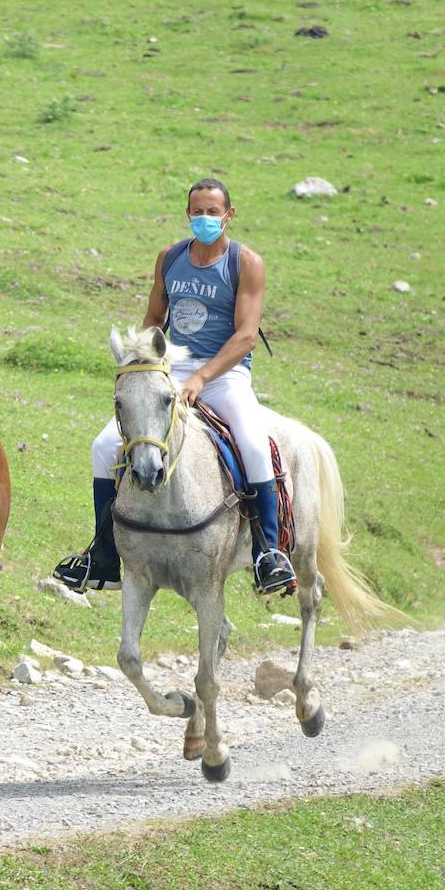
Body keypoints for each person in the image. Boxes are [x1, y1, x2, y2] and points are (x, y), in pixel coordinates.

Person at [54, 177, 296, 595]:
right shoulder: (170, 258)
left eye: (212, 212)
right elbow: (153, 319)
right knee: (103, 446)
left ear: (229, 215)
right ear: (188, 214)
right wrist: (147, 366)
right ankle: (105, 556)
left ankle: (267, 552)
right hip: (171, 369)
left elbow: (246, 336)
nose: (204, 218)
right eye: (197, 211)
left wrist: (202, 378)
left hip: (224, 374)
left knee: (254, 445)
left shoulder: (246, 263)